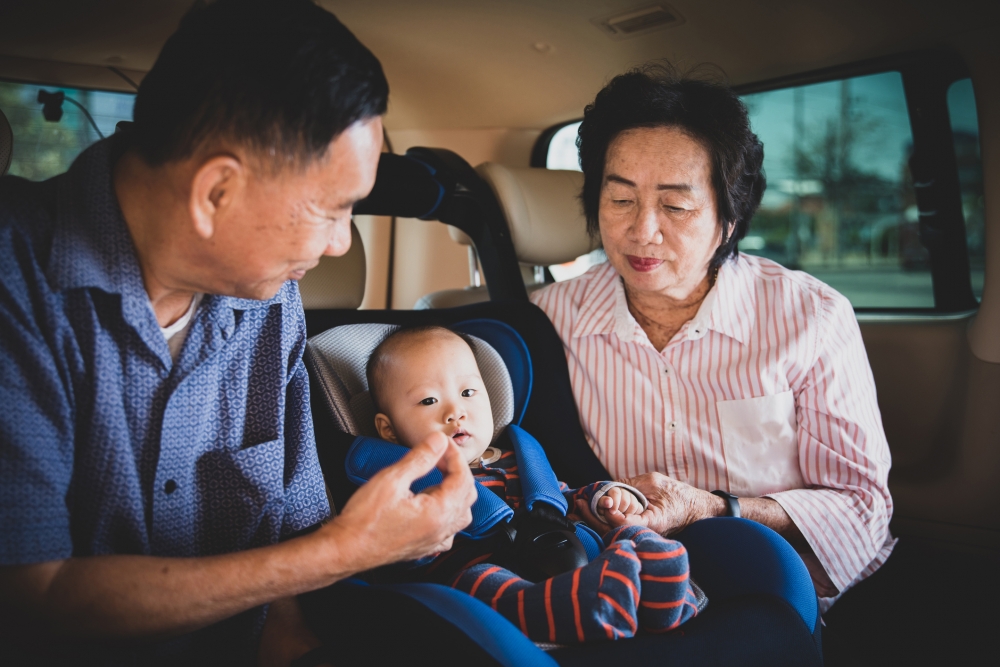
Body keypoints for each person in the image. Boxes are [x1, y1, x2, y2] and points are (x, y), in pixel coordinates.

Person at [0, 1, 477, 665]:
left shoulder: (272, 301)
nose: (343, 244)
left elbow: (286, 526)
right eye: (333, 210)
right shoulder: (15, 285)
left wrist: (292, 628)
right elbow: (31, 591)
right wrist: (348, 549)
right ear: (215, 191)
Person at [531, 64, 894, 613]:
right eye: (620, 199)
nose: (642, 230)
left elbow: (860, 506)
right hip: (630, 596)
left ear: (729, 217)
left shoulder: (809, 316)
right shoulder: (549, 320)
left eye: (675, 206)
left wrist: (716, 508)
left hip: (781, 588)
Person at [356, 325, 704, 643]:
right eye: (429, 400)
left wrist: (602, 498)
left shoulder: (517, 458)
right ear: (388, 429)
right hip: (478, 563)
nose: (455, 411)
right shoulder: (401, 481)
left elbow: (561, 497)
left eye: (468, 392)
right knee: (480, 582)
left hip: (561, 547)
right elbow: (394, 550)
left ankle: (656, 583)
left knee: (624, 535)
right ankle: (587, 605)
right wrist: (422, 538)